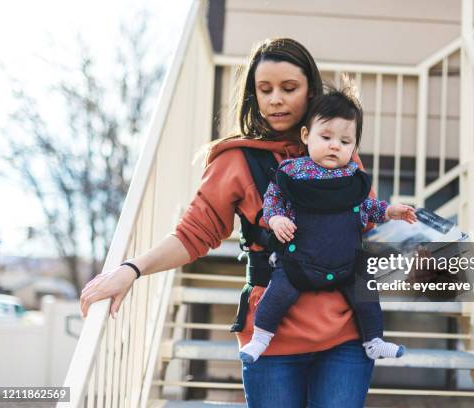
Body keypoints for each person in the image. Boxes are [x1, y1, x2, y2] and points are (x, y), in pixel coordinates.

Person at [79, 38, 390, 408]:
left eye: (289, 88)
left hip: (347, 333)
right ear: (253, 95)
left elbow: (367, 226)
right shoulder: (236, 161)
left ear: (310, 93)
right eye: (265, 89)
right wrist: (132, 268)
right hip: (272, 337)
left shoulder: (343, 155)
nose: (276, 98)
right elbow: (194, 233)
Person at [239, 86, 417, 364]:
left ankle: (373, 340)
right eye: (326, 137)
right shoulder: (292, 172)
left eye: (345, 142)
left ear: (354, 147)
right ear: (306, 136)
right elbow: (272, 201)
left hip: (345, 260)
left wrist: (390, 211)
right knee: (279, 292)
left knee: (366, 289)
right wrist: (276, 219)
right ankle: (260, 338)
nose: (335, 145)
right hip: (300, 259)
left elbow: (367, 207)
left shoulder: (353, 177)